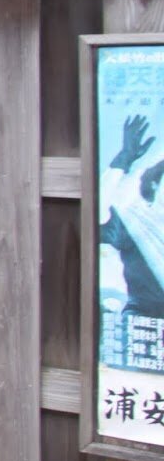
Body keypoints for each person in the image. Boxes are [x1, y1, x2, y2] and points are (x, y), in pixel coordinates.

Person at [101, 114, 164, 321]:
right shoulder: (136, 224)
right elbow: (97, 217)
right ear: (154, 185)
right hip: (146, 322)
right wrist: (123, 160)